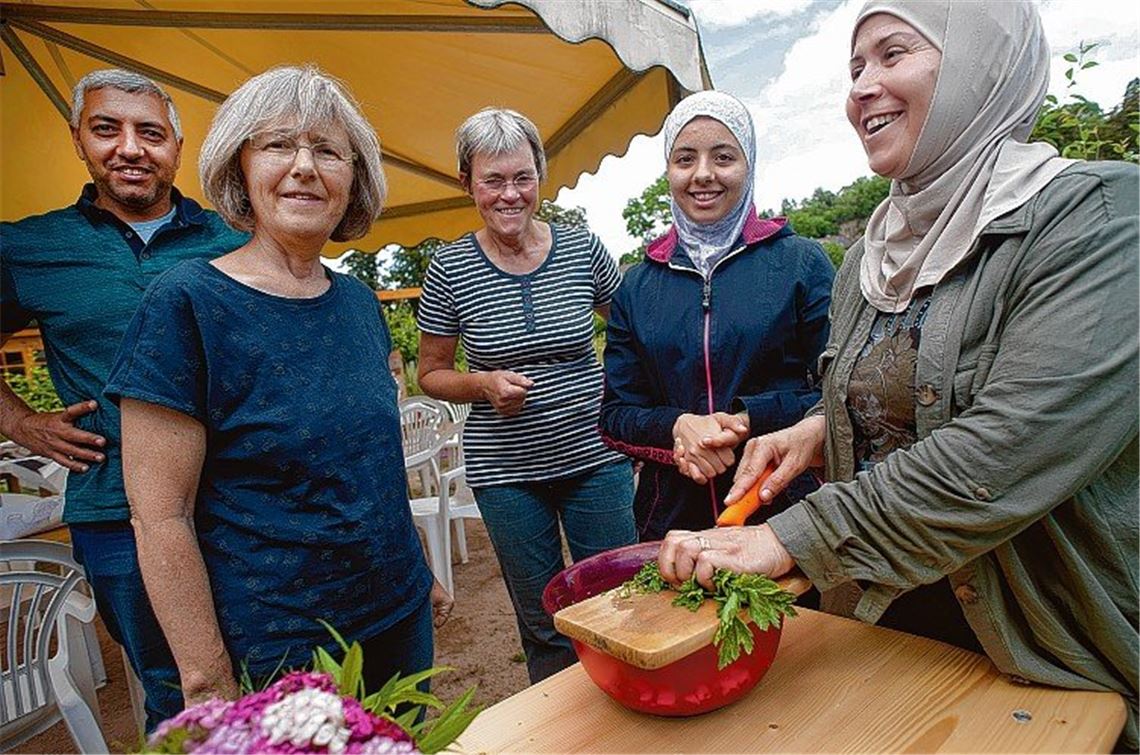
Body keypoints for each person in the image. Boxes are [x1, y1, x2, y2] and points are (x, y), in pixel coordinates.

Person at [657, 2, 1138, 749]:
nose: (862, 88)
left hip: (1049, 655)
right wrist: (821, 429)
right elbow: (904, 391)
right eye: (854, 68)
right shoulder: (868, 257)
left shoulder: (1097, 219)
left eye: (892, 54)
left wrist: (791, 536)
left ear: (983, 62)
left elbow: (1007, 448)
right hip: (885, 632)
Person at [104, 66, 451, 706]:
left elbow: (371, 464)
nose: (304, 167)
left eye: (326, 150)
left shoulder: (356, 301)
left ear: (354, 179)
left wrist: (418, 571)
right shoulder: (185, 303)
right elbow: (159, 518)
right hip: (278, 645)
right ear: (240, 167)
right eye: (277, 145)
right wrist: (206, 682)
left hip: (397, 619)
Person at [0, 69, 248, 729]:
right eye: (107, 129)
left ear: (177, 145)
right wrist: (20, 420)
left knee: (276, 669)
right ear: (79, 139)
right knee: (178, 693)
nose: (130, 148)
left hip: (245, 503)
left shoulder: (234, 239)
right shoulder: (29, 246)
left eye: (150, 132)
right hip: (115, 512)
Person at [415, 107, 636, 683]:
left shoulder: (583, 249)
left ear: (540, 175)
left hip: (597, 456)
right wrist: (482, 385)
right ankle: (561, 730)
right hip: (507, 471)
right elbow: (431, 373)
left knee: (622, 598)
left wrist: (631, 398)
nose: (510, 194)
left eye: (523, 177)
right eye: (493, 180)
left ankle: (634, 709)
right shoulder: (450, 266)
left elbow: (636, 332)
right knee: (543, 619)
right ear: (468, 183)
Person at [600, 91, 834, 542]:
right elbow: (616, 414)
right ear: (668, 170)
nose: (703, 174)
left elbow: (841, 392)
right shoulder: (638, 285)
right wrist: (677, 427)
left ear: (748, 166)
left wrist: (750, 421)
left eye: (723, 157)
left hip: (782, 514)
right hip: (669, 524)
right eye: (685, 159)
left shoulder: (801, 265)